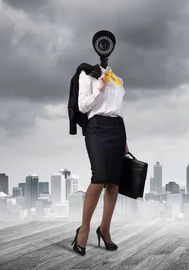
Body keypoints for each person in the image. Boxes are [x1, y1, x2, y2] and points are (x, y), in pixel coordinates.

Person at [71, 61, 128, 256]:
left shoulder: (118, 80)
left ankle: (104, 229)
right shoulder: (88, 75)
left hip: (118, 130)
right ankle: (84, 229)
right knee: (99, 177)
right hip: (97, 128)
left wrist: (125, 142)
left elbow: (118, 110)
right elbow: (82, 106)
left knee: (114, 182)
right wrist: (99, 89)